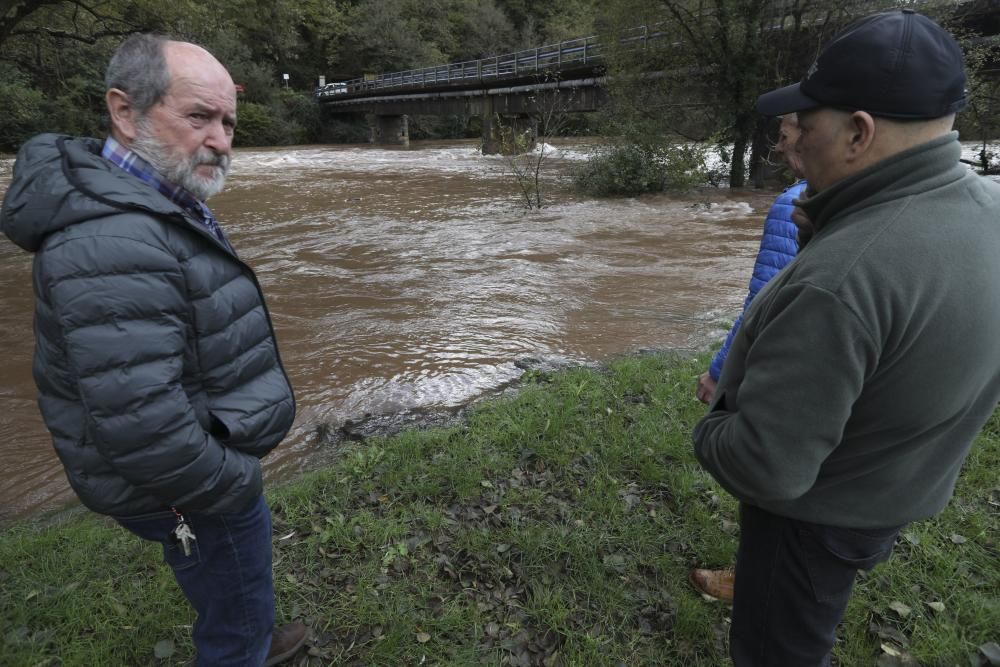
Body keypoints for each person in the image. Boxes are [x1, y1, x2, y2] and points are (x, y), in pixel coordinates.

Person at [692, 9, 1000, 666]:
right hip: (896, 483)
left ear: (859, 133)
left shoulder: (839, 282)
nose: (789, 143)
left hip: (814, 515)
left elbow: (763, 465)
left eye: (806, 126)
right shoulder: (989, 210)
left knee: (781, 649)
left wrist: (714, 422)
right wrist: (826, 225)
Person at [0, 34, 306, 666]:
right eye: (198, 117)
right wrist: (234, 481)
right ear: (123, 109)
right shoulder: (112, 240)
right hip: (187, 485)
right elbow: (145, 429)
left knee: (231, 580)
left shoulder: (147, 197)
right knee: (233, 576)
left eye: (227, 122)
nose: (220, 140)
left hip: (189, 464)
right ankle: (243, 647)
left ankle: (248, 629)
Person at [689, 114, 807, 602]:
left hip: (786, 375)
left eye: (784, 136)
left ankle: (752, 579)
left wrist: (719, 372)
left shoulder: (793, 204)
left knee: (774, 484)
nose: (777, 148)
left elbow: (762, 303)